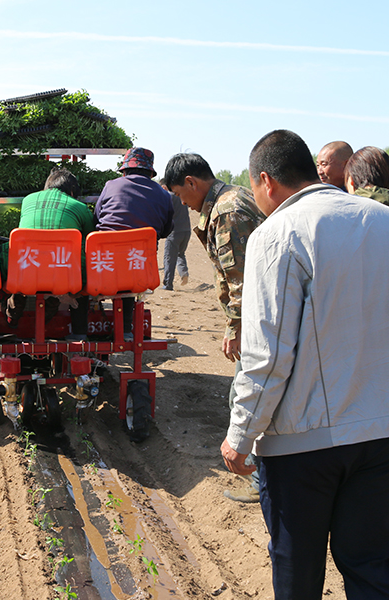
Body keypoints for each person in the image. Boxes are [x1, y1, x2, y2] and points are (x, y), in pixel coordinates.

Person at [222, 129, 389, 600]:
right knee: (372, 566)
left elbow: (267, 355)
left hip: (305, 443)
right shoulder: (381, 219)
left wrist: (240, 435)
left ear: (266, 180)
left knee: (298, 571)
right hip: (379, 433)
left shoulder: (276, 234)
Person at [164, 152, 264, 502]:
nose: (182, 202)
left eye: (179, 193)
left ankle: (260, 479)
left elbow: (240, 277)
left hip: (257, 317)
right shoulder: (235, 196)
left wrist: (234, 327)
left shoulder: (226, 211)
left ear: (192, 182)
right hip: (263, 311)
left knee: (246, 393)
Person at [7, 167, 94, 340]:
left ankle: (13, 312)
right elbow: (90, 242)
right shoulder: (80, 207)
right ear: (71, 191)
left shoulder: (27, 200)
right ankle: (79, 333)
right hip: (63, 274)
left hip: (25, 272)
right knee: (82, 282)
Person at [94, 147, 174, 334]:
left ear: (125, 170)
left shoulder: (110, 186)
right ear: (150, 171)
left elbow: (96, 218)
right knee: (131, 273)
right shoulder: (163, 194)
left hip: (103, 264)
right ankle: (127, 329)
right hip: (140, 268)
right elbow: (166, 230)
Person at [159, 180, 191, 290]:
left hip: (174, 232)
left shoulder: (168, 197)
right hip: (186, 231)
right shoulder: (181, 196)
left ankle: (168, 284)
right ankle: (183, 273)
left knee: (169, 258)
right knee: (180, 254)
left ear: (164, 187)